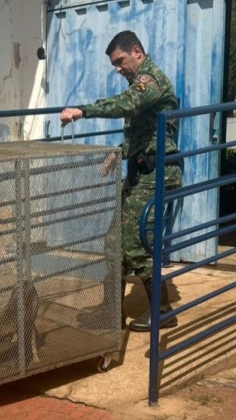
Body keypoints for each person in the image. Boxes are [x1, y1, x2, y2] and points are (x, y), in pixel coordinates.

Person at [60, 30, 182, 332]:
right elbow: (144, 133)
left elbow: (126, 105)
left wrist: (83, 111)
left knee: (135, 241)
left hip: (158, 174)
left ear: (136, 52)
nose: (117, 68)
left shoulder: (150, 81)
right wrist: (120, 152)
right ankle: (110, 310)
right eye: (114, 64)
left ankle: (162, 310)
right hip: (140, 172)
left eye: (120, 61)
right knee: (113, 241)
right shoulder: (138, 84)